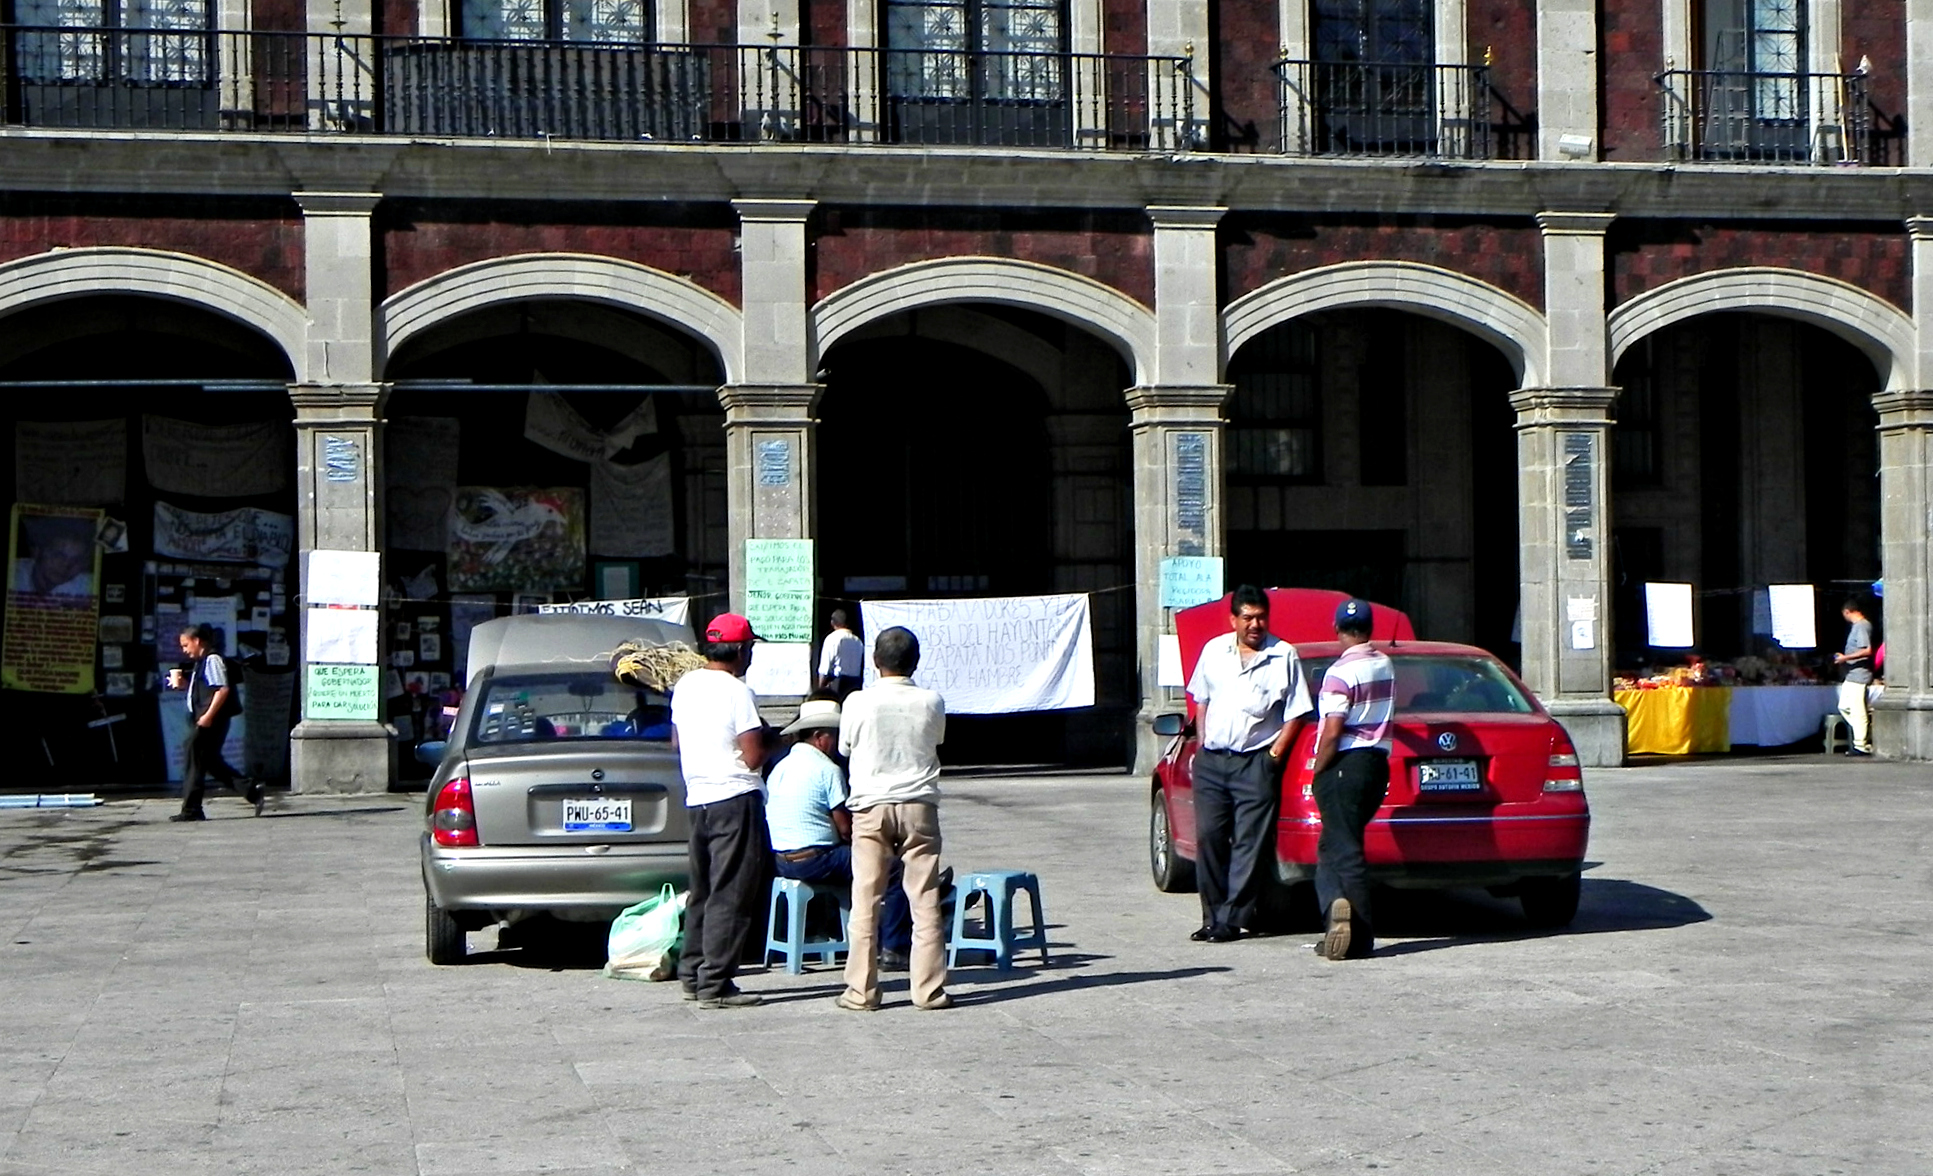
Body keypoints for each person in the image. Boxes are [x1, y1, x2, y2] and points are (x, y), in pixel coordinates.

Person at [1182, 584, 1313, 943]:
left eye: (1261, 617)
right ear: (1233, 619)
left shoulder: (1283, 655)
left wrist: (1273, 757)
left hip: (1255, 762)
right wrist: (1202, 745)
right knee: (1209, 837)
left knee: (1248, 843)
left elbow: (1296, 712)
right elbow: (1201, 699)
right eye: (1248, 617)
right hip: (1213, 761)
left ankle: (1231, 920)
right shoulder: (1213, 651)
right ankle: (1210, 915)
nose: (1255, 624)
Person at [835, 626, 951, 1011]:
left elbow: (845, 746)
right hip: (919, 803)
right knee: (925, 899)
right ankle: (928, 990)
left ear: (874, 661)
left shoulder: (856, 702)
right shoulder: (932, 700)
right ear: (915, 662)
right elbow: (936, 741)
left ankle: (861, 991)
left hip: (870, 805)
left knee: (866, 899)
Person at [764, 696, 914, 968]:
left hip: (781, 860)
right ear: (821, 737)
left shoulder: (780, 767)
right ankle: (895, 946)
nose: (838, 743)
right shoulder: (827, 769)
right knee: (892, 869)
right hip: (815, 859)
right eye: (835, 735)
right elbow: (846, 829)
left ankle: (853, 932)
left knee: (860, 866)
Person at [670, 612, 773, 1009]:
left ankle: (692, 973)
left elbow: (676, 744)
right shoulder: (737, 692)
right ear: (740, 649)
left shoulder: (686, 685)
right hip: (734, 797)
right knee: (732, 893)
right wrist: (772, 741)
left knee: (704, 890)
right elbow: (751, 757)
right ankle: (716, 983)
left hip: (698, 799)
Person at [1308, 599, 1394, 961]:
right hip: (1377, 764)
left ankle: (1360, 935)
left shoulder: (1338, 674)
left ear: (1336, 628)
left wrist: (1318, 768)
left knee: (1346, 851)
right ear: (1370, 629)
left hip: (1345, 763)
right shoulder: (1384, 664)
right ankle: (1334, 915)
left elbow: (1331, 731)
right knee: (1333, 846)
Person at [169, 624, 260, 821]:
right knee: (210, 762)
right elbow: (203, 689)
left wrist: (208, 716)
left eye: (186, 645)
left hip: (211, 720)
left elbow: (222, 689)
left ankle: (191, 809)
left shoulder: (212, 660)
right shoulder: (200, 663)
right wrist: (182, 685)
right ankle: (251, 790)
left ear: (197, 641)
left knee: (193, 756)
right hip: (203, 717)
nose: (184, 650)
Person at [1833, 599, 1876, 757]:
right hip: (1851, 674)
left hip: (1859, 674)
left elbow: (1867, 650)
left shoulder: (1862, 626)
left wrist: (1845, 658)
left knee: (1858, 710)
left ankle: (1861, 744)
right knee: (1844, 706)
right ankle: (1863, 731)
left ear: (1847, 612)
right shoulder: (1857, 627)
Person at [817, 609, 866, 699]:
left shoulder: (832, 638)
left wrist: (821, 688)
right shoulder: (858, 641)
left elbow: (825, 667)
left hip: (838, 683)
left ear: (832, 623)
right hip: (855, 682)